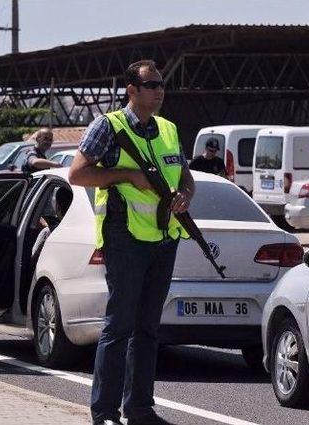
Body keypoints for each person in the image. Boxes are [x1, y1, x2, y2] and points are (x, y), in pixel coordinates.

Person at [69, 60, 194, 425]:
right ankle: (105, 413)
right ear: (132, 90)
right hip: (124, 237)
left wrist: (185, 195)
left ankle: (139, 408)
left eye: (161, 85)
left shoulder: (169, 129)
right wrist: (126, 175)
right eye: (151, 85)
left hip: (164, 236)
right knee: (119, 325)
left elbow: (185, 176)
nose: (159, 91)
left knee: (148, 329)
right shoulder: (108, 126)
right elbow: (77, 174)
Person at [30, 187, 73, 261]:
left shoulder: (47, 233)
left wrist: (48, 229)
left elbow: (33, 260)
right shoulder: (84, 230)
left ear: (58, 207)